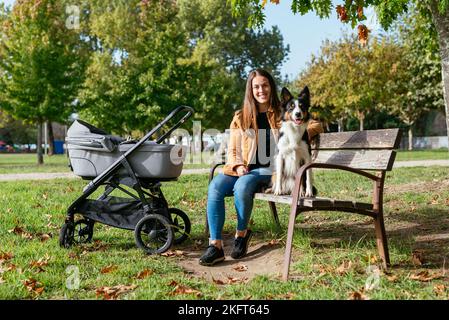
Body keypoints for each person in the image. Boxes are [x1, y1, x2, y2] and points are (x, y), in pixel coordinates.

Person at [199, 69, 323, 266]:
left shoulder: (283, 110)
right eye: (256, 86)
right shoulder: (241, 117)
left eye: (265, 85)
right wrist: (238, 165)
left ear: (271, 87)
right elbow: (232, 149)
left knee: (243, 185)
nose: (261, 90)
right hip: (244, 168)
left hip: (272, 170)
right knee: (215, 186)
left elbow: (316, 124)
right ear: (251, 90)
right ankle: (215, 246)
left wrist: (296, 127)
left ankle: (242, 234)